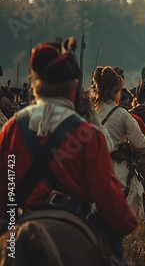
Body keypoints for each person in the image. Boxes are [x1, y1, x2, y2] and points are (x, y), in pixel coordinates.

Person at [0, 41, 137, 262]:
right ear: (73, 88)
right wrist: (125, 222)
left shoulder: (12, 129)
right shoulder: (88, 135)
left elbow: (4, 188)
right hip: (75, 217)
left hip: (18, 225)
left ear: (36, 85)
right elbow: (106, 194)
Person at [90, 66, 145, 220]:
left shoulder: (88, 115)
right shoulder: (122, 114)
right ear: (117, 91)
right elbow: (142, 144)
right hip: (119, 174)